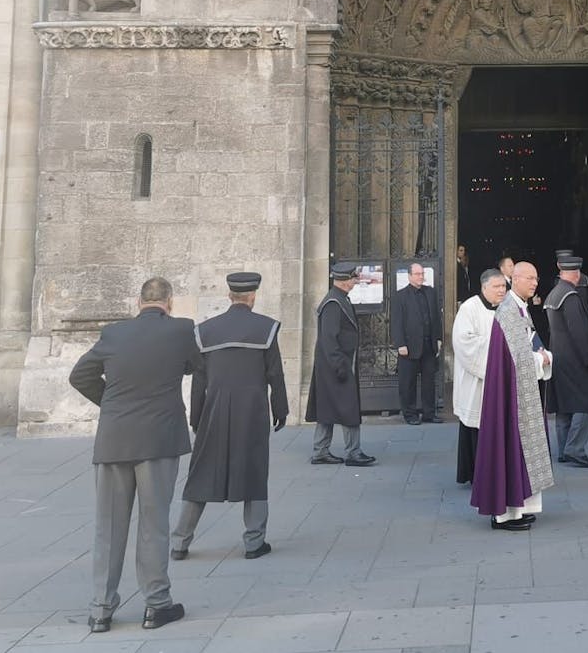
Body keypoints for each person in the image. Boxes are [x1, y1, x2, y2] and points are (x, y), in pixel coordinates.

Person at [68, 276, 200, 633]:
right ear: (169, 302)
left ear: (138, 302)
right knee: (153, 525)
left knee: (108, 528)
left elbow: (79, 375)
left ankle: (101, 610)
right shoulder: (182, 330)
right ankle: (156, 605)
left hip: (114, 440)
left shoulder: (113, 333)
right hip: (158, 440)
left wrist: (110, 404)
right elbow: (196, 366)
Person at [171, 271, 288, 562]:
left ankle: (179, 542)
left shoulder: (206, 331)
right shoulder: (266, 329)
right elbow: (275, 373)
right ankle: (253, 542)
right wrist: (281, 409)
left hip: (215, 410)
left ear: (229, 295)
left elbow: (199, 381)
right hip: (253, 411)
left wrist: (196, 418)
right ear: (252, 296)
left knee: (200, 475)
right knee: (254, 472)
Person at [471, 262, 553, 530]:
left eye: (536, 278)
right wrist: (540, 359)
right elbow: (518, 358)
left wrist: (541, 356)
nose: (534, 283)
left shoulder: (519, 309)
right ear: (514, 279)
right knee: (509, 444)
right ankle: (504, 513)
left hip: (519, 390)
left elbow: (528, 344)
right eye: (529, 278)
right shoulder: (509, 311)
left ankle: (520, 507)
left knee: (520, 447)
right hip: (510, 394)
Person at [306, 262, 375, 467]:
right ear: (345, 281)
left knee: (327, 407)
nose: (355, 281)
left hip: (334, 364)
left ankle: (320, 451)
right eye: (353, 278)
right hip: (337, 365)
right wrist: (340, 366)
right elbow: (328, 338)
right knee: (349, 407)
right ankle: (353, 452)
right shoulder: (333, 304)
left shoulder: (338, 299)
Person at [453, 269, 509, 483]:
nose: (501, 290)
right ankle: (476, 473)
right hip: (477, 380)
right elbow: (463, 342)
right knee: (476, 424)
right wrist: (497, 353)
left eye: (503, 286)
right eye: (497, 287)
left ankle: (496, 472)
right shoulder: (469, 308)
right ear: (484, 287)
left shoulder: (508, 308)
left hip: (500, 380)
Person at [545, 255, 588, 467]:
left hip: (558, 357)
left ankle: (563, 450)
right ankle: (575, 448)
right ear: (576, 274)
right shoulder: (571, 296)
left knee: (564, 405)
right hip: (575, 359)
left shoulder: (553, 294)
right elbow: (580, 332)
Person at [392, 262, 443, 425]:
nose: (421, 277)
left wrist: (439, 338)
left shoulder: (431, 292)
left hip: (429, 345)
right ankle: (410, 414)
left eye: (422, 274)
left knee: (429, 381)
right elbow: (396, 322)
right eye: (417, 274)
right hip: (409, 346)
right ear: (409, 276)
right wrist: (400, 344)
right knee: (408, 383)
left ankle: (429, 413)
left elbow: (436, 318)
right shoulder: (400, 296)